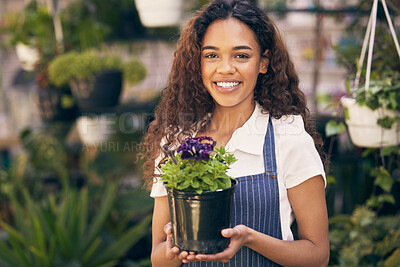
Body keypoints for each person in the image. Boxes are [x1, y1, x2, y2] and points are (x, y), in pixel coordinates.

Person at [141, 0, 330, 266]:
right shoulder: (177, 140)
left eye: (241, 55)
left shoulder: (288, 137)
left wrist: (251, 239)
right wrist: (175, 250)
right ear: (198, 63)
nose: (225, 68)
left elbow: (318, 255)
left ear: (263, 63)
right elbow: (158, 258)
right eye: (211, 55)